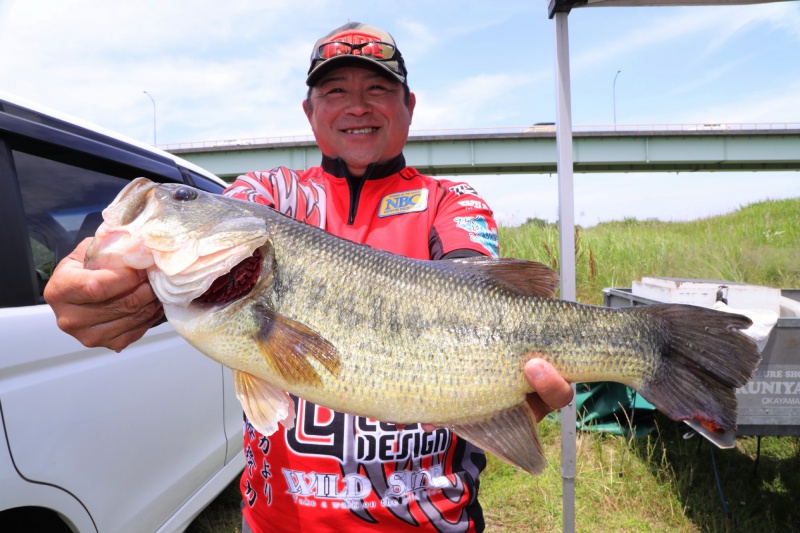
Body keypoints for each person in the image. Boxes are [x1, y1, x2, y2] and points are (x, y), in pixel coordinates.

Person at [45, 22, 574, 533]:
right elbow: (212, 244)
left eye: (378, 88)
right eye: (335, 89)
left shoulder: (452, 203)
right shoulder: (266, 196)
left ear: (408, 106)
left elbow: (472, 289)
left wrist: (504, 390)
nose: (357, 105)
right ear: (310, 111)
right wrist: (102, 273)